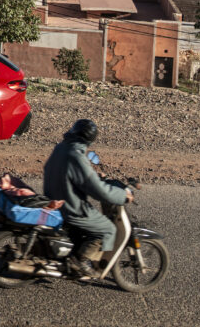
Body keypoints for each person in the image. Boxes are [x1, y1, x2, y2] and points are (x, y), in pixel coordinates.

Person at [42, 119, 133, 280]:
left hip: (54, 200)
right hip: (71, 208)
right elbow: (98, 191)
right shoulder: (76, 156)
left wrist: (93, 176)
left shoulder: (61, 147)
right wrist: (122, 196)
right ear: (89, 139)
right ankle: (80, 261)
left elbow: (74, 175)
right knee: (107, 229)